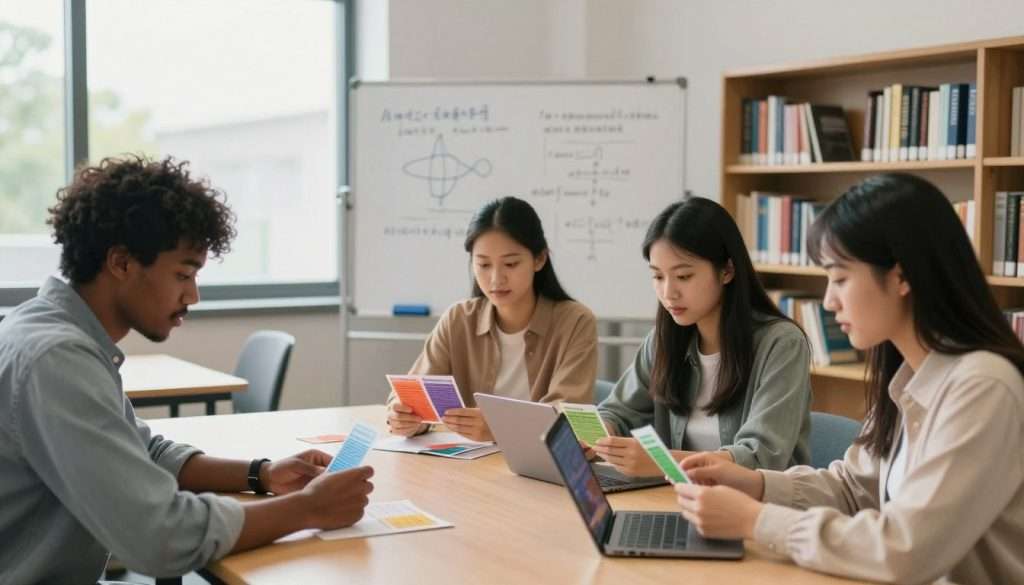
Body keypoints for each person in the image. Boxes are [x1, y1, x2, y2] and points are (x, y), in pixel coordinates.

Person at [0, 156, 374, 585]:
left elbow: (144, 453)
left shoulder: (52, 330)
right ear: (121, 263)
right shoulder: (56, 359)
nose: (193, 295)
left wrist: (262, 473)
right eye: (183, 274)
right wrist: (308, 509)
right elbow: (160, 537)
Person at [675, 174, 1024, 585]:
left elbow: (905, 550)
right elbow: (854, 488)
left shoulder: (983, 387)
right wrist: (754, 484)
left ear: (901, 276)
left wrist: (756, 520)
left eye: (840, 278)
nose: (828, 300)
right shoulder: (907, 376)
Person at [595, 197, 811, 476]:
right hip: (682, 502)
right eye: (658, 277)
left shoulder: (782, 345)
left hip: (757, 510)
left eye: (683, 277)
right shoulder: (664, 340)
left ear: (727, 271)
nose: (668, 293)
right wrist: (596, 437)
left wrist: (663, 462)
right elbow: (616, 412)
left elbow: (760, 456)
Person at [386, 196, 598, 441]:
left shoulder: (575, 322)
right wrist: (405, 417)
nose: (496, 279)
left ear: (539, 259)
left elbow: (570, 416)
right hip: (471, 467)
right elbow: (413, 392)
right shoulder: (459, 319)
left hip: (540, 468)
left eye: (510, 264)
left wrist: (501, 427)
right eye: (484, 265)